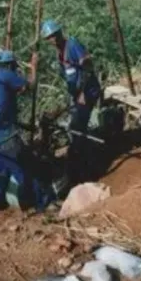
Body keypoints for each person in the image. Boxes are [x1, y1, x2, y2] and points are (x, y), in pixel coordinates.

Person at [0, 49, 54, 217]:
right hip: (3, 137)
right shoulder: (5, 74)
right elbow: (30, 86)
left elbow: (0, 110)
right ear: (10, 65)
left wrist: (23, 126)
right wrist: (33, 67)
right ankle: (44, 204)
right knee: (28, 167)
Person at [40, 20, 101, 169]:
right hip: (77, 94)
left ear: (60, 33)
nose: (53, 39)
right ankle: (84, 157)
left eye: (55, 35)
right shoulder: (59, 53)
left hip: (88, 91)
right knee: (75, 125)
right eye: (49, 37)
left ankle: (89, 162)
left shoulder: (72, 45)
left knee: (77, 127)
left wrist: (81, 92)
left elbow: (87, 67)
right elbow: (68, 75)